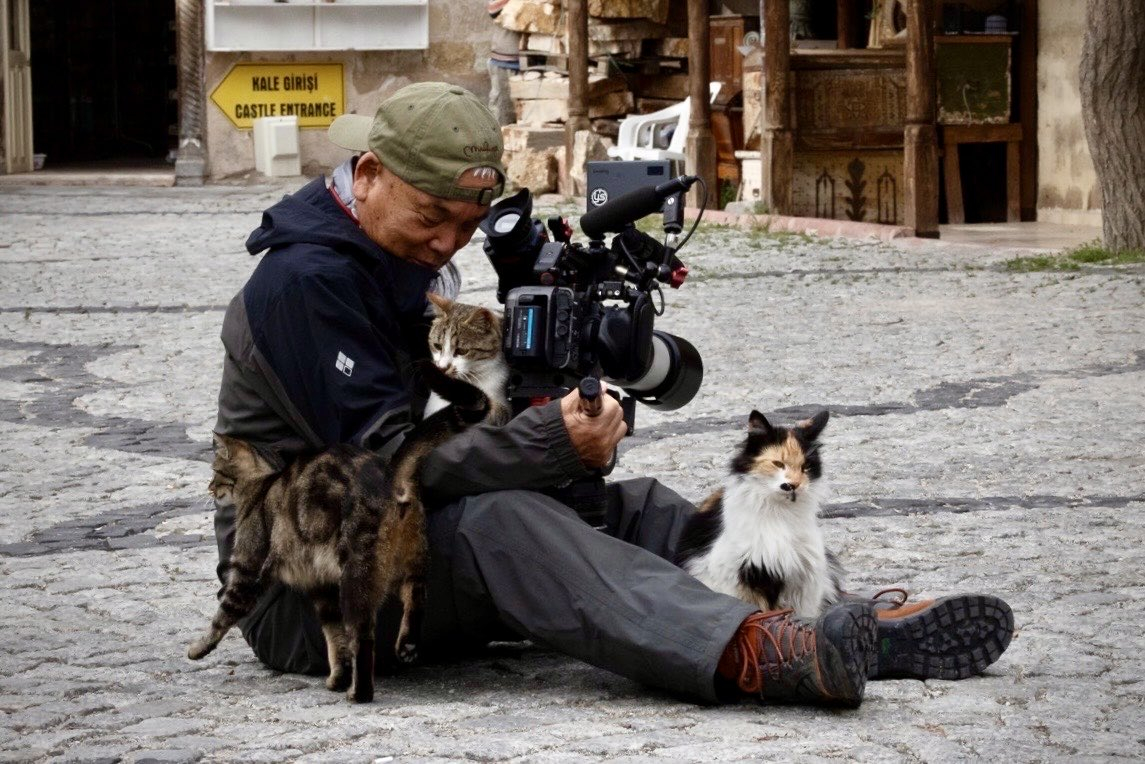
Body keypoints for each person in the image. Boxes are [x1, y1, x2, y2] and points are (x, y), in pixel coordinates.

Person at [210, 82, 1012, 708]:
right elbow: (384, 463)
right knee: (508, 525)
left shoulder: (387, 257)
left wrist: (549, 416)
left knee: (635, 510)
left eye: (466, 225)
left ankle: (832, 616)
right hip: (306, 593)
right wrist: (547, 442)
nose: (447, 243)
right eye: (431, 218)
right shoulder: (302, 282)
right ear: (370, 174)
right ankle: (759, 652)